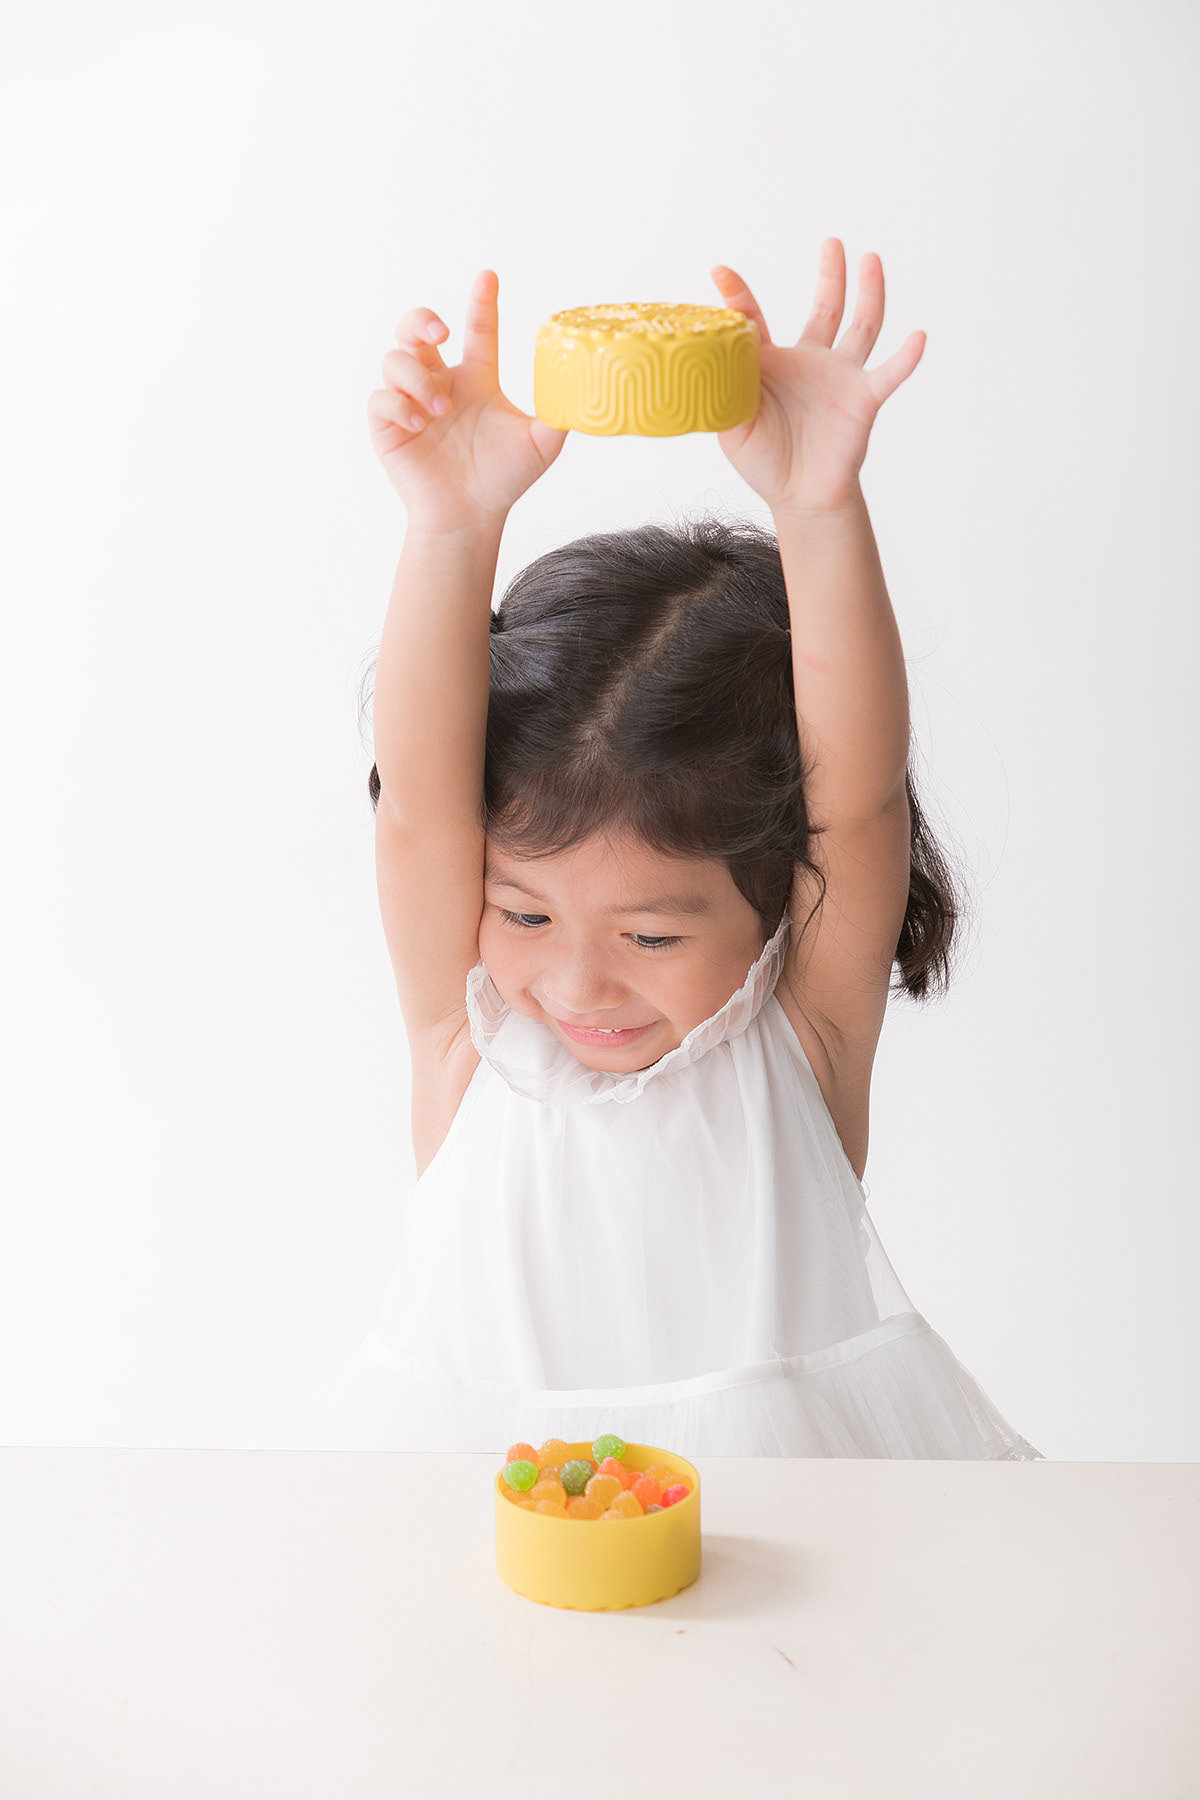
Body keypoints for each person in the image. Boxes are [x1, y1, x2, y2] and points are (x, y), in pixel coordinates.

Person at [257, 245, 1043, 1459]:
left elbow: (859, 804)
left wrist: (818, 507)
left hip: (780, 1568)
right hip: (491, 1557)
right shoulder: (470, 1044)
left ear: (782, 898)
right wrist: (453, 525)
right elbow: (419, 807)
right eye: (524, 917)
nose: (576, 984)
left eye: (653, 934)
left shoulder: (801, 1044)